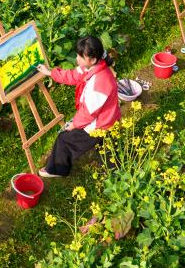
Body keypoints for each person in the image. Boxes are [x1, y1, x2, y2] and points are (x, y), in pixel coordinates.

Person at [35, 36, 121, 178]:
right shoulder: (92, 67)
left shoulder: (100, 82)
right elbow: (72, 76)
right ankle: (114, 168)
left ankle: (57, 169)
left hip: (100, 124)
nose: (77, 59)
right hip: (109, 118)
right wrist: (50, 72)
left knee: (64, 139)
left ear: (92, 59)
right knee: (108, 148)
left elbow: (88, 114)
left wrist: (74, 125)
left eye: (80, 57)